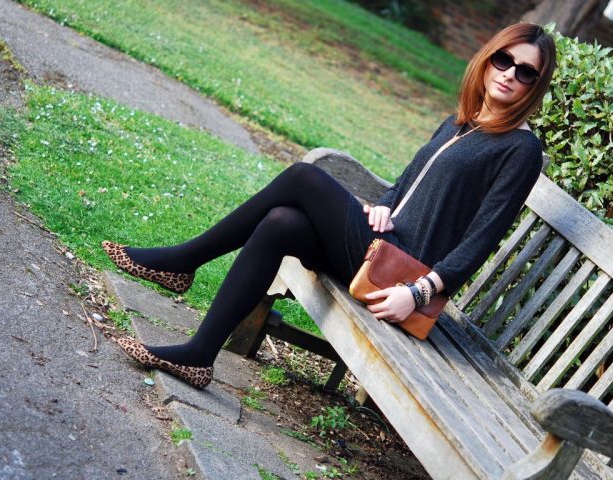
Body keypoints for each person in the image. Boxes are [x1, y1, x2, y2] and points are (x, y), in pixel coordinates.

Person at [103, 23, 557, 389]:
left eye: (526, 73)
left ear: (535, 88)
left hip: (400, 275)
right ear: (487, 59)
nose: (509, 74)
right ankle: (199, 355)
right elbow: (405, 184)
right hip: (383, 243)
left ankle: (183, 260)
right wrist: (384, 205)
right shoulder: (460, 123)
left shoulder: (520, 150)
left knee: (303, 177)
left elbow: (481, 241)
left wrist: (418, 293)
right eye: (504, 60)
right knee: (281, 223)